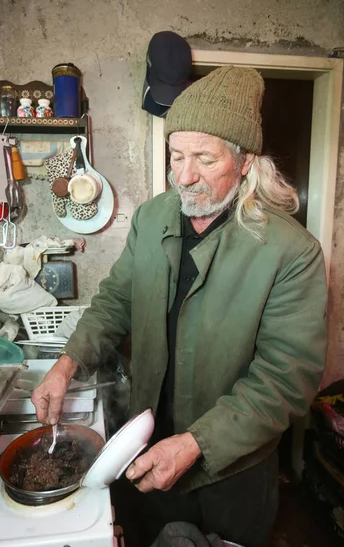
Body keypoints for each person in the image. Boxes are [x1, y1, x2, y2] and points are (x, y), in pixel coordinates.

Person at [32, 66, 327, 547]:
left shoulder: (291, 253)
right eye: (177, 156)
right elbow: (116, 301)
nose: (184, 175)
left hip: (229, 472)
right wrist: (67, 364)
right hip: (144, 445)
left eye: (205, 159)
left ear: (246, 159)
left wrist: (196, 445)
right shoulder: (152, 218)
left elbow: (286, 378)